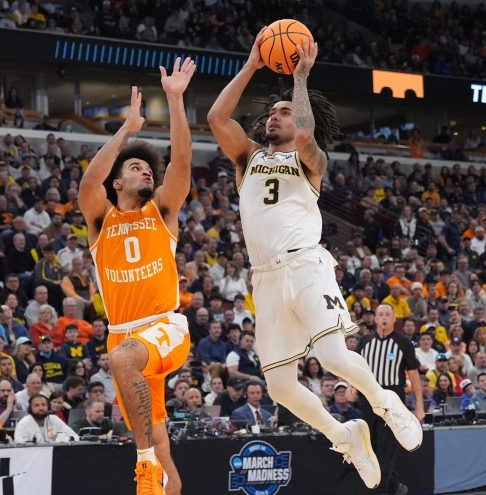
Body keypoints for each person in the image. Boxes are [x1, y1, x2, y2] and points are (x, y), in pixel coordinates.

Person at [208, 30, 421, 489]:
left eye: (283, 111)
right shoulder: (247, 157)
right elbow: (216, 117)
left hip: (306, 263)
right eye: (271, 111)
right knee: (280, 387)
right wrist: (251, 64)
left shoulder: (311, 160)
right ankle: (345, 435)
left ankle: (387, 404)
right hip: (264, 277)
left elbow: (305, 134)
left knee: (333, 355)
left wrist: (300, 78)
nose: (274, 115)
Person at [79, 58, 195, 495]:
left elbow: (181, 161)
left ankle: (144, 466)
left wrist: (175, 100)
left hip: (164, 327)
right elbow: (88, 183)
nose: (146, 171)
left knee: (125, 361)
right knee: (159, 442)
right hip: (122, 337)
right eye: (135, 168)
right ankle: (161, 474)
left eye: (148, 169)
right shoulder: (100, 220)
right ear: (116, 184)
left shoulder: (161, 211)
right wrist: (126, 130)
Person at [356, 304, 424, 495]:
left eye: (388, 314)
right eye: (381, 314)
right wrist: (352, 387)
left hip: (392, 399)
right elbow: (356, 368)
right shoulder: (364, 341)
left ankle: (382, 491)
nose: (384, 317)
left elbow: (414, 375)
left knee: (387, 446)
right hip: (368, 398)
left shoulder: (403, 343)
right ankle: (394, 486)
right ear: (375, 319)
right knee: (370, 446)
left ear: (394, 318)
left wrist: (419, 405)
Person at [14, 393, 79, 443]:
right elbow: (19, 445)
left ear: (48, 407)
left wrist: (59, 438)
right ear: (30, 409)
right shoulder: (23, 424)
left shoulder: (54, 419)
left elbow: (75, 437)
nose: (41, 408)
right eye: (37, 405)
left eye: (43, 405)